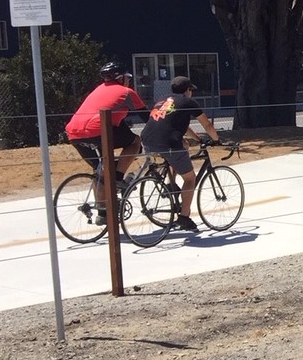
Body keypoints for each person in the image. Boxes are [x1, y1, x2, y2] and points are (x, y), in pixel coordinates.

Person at [140, 76, 222, 233]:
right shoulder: (188, 101)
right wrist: (216, 140)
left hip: (147, 140)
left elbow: (181, 127)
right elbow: (207, 124)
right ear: (188, 90)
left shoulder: (163, 100)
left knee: (184, 145)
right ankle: (184, 217)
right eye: (191, 90)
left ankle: (171, 184)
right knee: (190, 179)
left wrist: (198, 139)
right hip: (168, 143)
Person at [65, 60, 147, 185]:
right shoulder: (127, 92)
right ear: (121, 78)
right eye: (128, 77)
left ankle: (104, 194)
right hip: (98, 130)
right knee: (135, 142)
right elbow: (147, 117)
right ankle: (118, 179)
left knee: (100, 175)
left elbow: (119, 123)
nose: (129, 81)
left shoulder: (98, 90)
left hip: (73, 134)